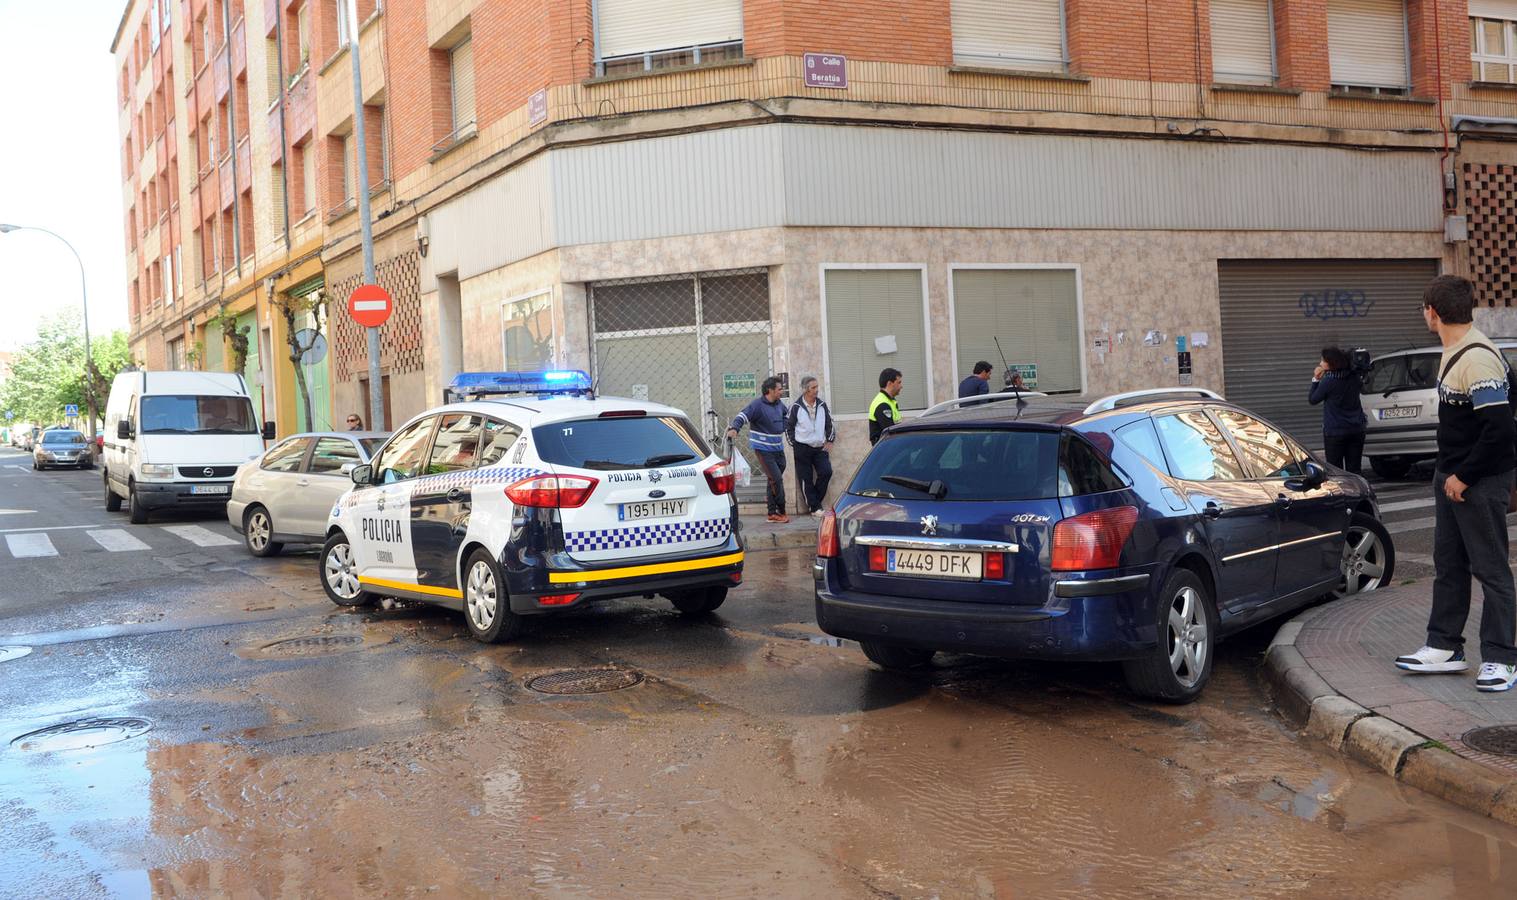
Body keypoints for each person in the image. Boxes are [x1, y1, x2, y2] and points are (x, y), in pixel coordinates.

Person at [1395, 275, 1517, 692]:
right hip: (1451, 475)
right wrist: (1449, 475)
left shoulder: (1477, 358)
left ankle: (1501, 658)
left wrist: (1464, 477)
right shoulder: (1456, 350)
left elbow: (1498, 430)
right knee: (1449, 565)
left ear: (1433, 311)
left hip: (1476, 480)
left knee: (1492, 569)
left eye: (1422, 307)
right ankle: (1444, 647)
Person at [728, 377, 790, 523]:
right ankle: (781, 511)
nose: (781, 391)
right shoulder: (757, 405)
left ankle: (771, 513)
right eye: (779, 389)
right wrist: (734, 428)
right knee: (776, 479)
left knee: (773, 480)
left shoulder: (779, 404)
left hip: (778, 449)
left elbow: (786, 415)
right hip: (763, 449)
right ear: (770, 390)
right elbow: (742, 415)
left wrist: (784, 426)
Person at [1308, 346, 1367, 473]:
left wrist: (1316, 379)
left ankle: (1342, 492)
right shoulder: (1354, 378)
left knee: (1336, 470)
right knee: (1355, 468)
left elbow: (1313, 399)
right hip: (1356, 429)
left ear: (1331, 363)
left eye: (1323, 361)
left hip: (1335, 432)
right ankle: (1357, 492)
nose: (1320, 363)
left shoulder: (1329, 381)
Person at [786, 376, 836, 518]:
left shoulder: (822, 405)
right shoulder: (796, 407)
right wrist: (794, 444)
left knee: (826, 472)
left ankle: (815, 503)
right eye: (813, 387)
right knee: (805, 479)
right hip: (802, 448)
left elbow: (829, 424)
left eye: (817, 387)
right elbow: (788, 427)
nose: (816, 390)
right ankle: (815, 508)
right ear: (805, 390)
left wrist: (830, 440)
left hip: (820, 448)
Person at [869, 368, 903, 446]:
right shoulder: (882, 404)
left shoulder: (890, 401)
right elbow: (892, 432)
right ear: (889, 384)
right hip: (886, 451)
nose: (901, 386)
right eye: (899, 383)